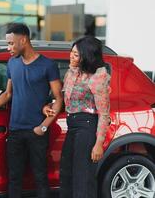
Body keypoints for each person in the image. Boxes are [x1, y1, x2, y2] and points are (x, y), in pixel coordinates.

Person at [0, 23, 63, 198]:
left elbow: (58, 99)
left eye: (11, 43)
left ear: (23, 40)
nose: (9, 48)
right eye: (8, 44)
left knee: (40, 177)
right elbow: (7, 94)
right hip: (15, 131)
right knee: (14, 179)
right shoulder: (12, 63)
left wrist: (43, 127)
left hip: (37, 131)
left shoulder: (47, 65)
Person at [44, 36, 111, 198]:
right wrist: (49, 106)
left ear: (87, 56)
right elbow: (65, 97)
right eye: (71, 53)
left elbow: (104, 113)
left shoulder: (97, 78)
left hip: (87, 126)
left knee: (83, 177)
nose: (71, 57)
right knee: (67, 173)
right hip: (73, 125)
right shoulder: (72, 72)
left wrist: (98, 144)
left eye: (76, 55)